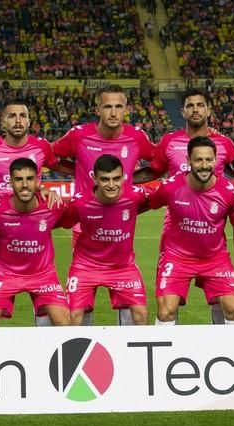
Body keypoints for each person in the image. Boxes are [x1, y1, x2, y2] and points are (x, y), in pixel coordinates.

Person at [134, 87, 234, 324]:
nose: (196, 110)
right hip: (176, 231)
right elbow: (152, 173)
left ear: (209, 110)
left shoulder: (225, 144)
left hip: (213, 233)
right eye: (190, 105)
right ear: (183, 111)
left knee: (229, 305)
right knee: (168, 307)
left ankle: (227, 350)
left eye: (200, 105)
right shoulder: (169, 142)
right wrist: (119, 182)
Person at [53, 84, 155, 325]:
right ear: (97, 109)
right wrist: (77, 171)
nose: (113, 112)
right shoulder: (79, 135)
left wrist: (132, 183)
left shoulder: (136, 137)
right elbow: (50, 156)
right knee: (80, 309)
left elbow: (160, 162)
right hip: (85, 225)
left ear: (126, 109)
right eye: (107, 106)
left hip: (121, 227)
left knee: (132, 309)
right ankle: (82, 348)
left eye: (118, 106)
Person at [0, 99, 73, 326]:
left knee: (46, 303)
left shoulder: (41, 147)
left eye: (22, 115)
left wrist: (47, 188)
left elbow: (57, 166)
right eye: (12, 115)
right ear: (2, 121)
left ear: (29, 120)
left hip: (35, 226)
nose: (17, 120)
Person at [149, 136, 234, 325]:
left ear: (216, 160)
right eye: (198, 159)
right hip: (177, 257)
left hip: (215, 259)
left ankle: (233, 353)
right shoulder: (170, 187)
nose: (204, 165)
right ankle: (166, 353)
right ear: (188, 161)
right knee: (166, 310)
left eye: (209, 160)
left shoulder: (230, 192)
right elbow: (145, 204)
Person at [0, 158, 70, 327]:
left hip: (43, 274)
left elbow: (69, 220)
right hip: (4, 274)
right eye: (19, 180)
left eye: (29, 179)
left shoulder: (53, 206)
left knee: (64, 323)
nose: (25, 184)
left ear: (37, 181)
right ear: (11, 182)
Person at [60, 154, 150, 326]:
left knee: (141, 313)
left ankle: (134, 352)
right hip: (85, 265)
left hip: (122, 266)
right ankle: (79, 351)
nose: (111, 185)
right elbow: (63, 221)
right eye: (105, 179)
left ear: (123, 177)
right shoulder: (80, 203)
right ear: (94, 178)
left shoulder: (135, 195)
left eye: (116, 179)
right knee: (73, 316)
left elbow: (160, 198)